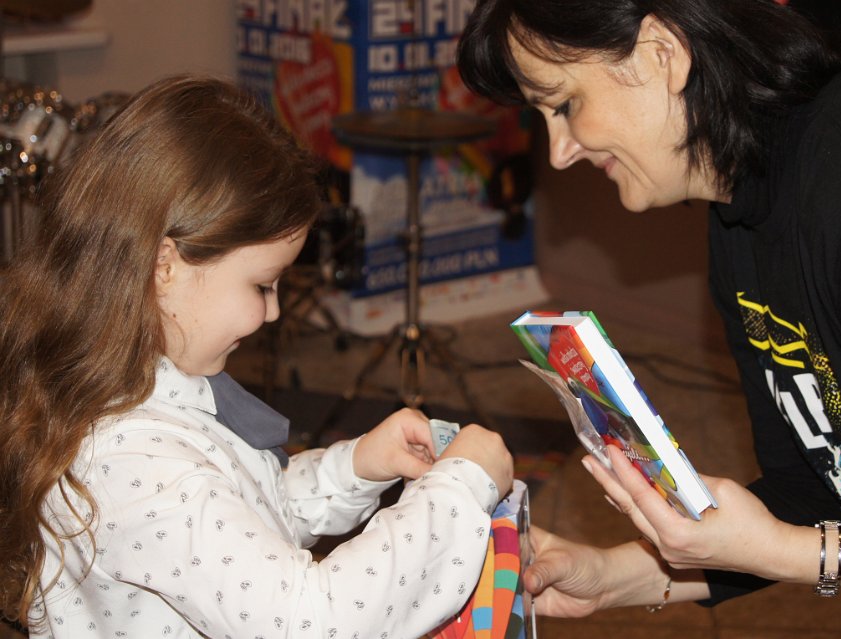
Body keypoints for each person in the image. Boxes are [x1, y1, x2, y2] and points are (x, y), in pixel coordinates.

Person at [456, 0, 841, 617]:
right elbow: (818, 488)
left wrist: (786, 554)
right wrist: (620, 576)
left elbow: (789, 540)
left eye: (563, 104)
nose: (559, 152)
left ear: (661, 53)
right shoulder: (740, 210)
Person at [0, 75, 514, 638]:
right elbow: (309, 620)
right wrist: (461, 490)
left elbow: (248, 516)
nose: (273, 312)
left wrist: (355, 467)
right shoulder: (132, 462)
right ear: (164, 267)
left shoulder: (148, 390)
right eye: (263, 285)